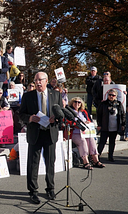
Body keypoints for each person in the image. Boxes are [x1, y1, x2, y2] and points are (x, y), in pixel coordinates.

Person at [19, 72, 62, 204]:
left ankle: (50, 188)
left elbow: (61, 115)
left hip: (50, 133)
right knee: (33, 164)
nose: (38, 83)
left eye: (40, 80)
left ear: (46, 81)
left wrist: (56, 119)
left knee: (50, 163)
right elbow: (21, 115)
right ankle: (33, 191)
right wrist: (30, 118)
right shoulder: (28, 96)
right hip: (35, 133)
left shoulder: (55, 94)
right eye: (36, 80)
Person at [67, 97, 105, 169]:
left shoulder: (83, 112)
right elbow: (68, 122)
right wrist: (78, 124)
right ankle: (85, 161)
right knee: (82, 142)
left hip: (85, 132)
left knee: (91, 140)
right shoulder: (69, 111)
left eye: (79, 102)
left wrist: (88, 122)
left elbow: (89, 120)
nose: (77, 103)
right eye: (75, 102)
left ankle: (95, 160)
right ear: (72, 103)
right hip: (75, 132)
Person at [97, 89, 125, 162]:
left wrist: (123, 124)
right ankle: (97, 156)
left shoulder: (118, 104)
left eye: (113, 95)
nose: (111, 96)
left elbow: (122, 114)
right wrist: (99, 124)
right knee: (102, 142)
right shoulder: (103, 104)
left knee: (112, 142)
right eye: (110, 95)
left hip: (115, 127)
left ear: (116, 96)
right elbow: (99, 115)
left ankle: (110, 156)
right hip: (105, 126)